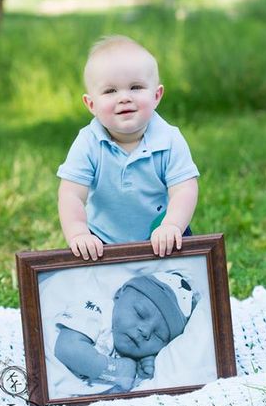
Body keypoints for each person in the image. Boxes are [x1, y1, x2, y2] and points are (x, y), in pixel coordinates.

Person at [57, 35, 199, 260]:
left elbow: (184, 189)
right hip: (102, 239)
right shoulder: (87, 143)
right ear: (91, 104)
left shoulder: (169, 140)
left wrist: (172, 225)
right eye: (110, 91)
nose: (124, 98)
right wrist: (79, 234)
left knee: (179, 282)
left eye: (135, 87)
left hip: (163, 234)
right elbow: (71, 194)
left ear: (156, 95)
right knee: (101, 290)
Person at [54, 270, 195, 393]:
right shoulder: (97, 311)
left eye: (158, 336)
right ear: (119, 294)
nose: (145, 331)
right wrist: (116, 370)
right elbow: (67, 349)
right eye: (140, 313)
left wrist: (141, 373)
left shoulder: (135, 357)